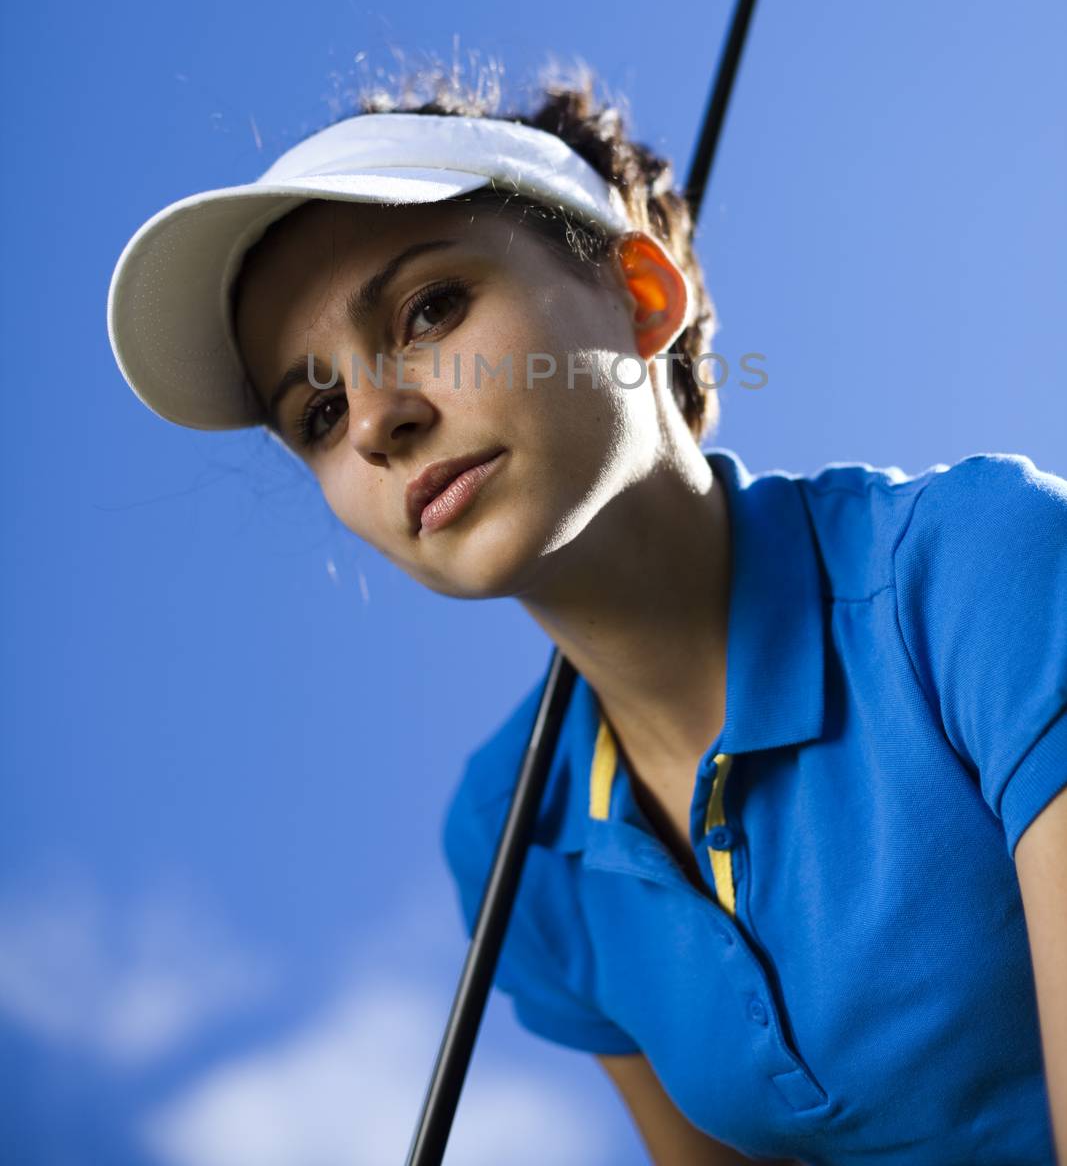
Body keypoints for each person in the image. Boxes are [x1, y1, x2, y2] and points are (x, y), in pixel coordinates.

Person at [107, 67, 1067, 1166]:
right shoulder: (503, 836)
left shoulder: (981, 564)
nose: (375, 421)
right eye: (318, 410)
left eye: (429, 309)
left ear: (642, 296)